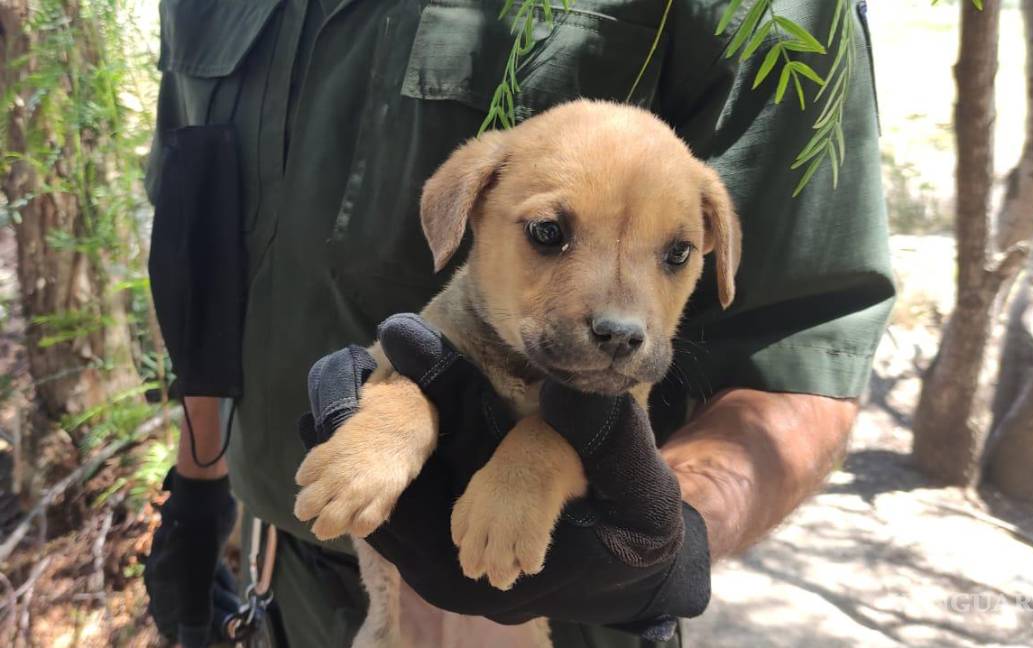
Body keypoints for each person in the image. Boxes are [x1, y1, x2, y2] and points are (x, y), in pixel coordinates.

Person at [142, 1, 893, 647]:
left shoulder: (771, 22)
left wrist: (669, 542)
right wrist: (199, 478)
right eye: (549, 235)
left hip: (554, 601)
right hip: (286, 574)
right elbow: (198, 236)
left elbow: (805, 348)